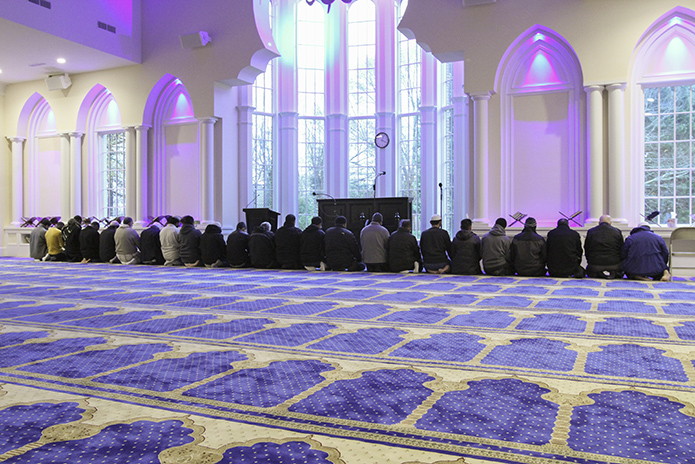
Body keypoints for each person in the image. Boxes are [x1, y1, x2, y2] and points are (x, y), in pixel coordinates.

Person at [584, 214, 624, 279]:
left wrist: (590, 261)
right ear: (610, 223)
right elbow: (622, 249)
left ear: (599, 223)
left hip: (595, 265)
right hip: (614, 265)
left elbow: (587, 248)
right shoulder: (617, 232)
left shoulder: (591, 232)